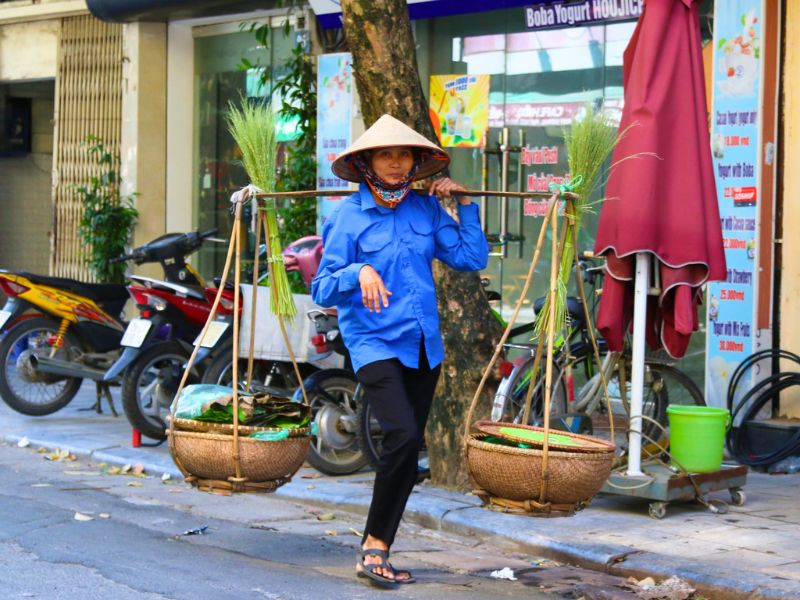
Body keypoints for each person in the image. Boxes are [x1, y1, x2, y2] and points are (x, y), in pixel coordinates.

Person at [311, 114, 489, 587]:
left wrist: (463, 206)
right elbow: (323, 287)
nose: (395, 163)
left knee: (407, 451)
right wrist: (358, 274)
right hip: (372, 341)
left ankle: (379, 546)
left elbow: (471, 259)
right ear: (367, 161)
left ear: (415, 162)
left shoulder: (425, 210)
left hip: (422, 342)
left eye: (403, 154)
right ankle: (373, 546)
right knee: (403, 435)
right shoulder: (347, 216)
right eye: (385, 154)